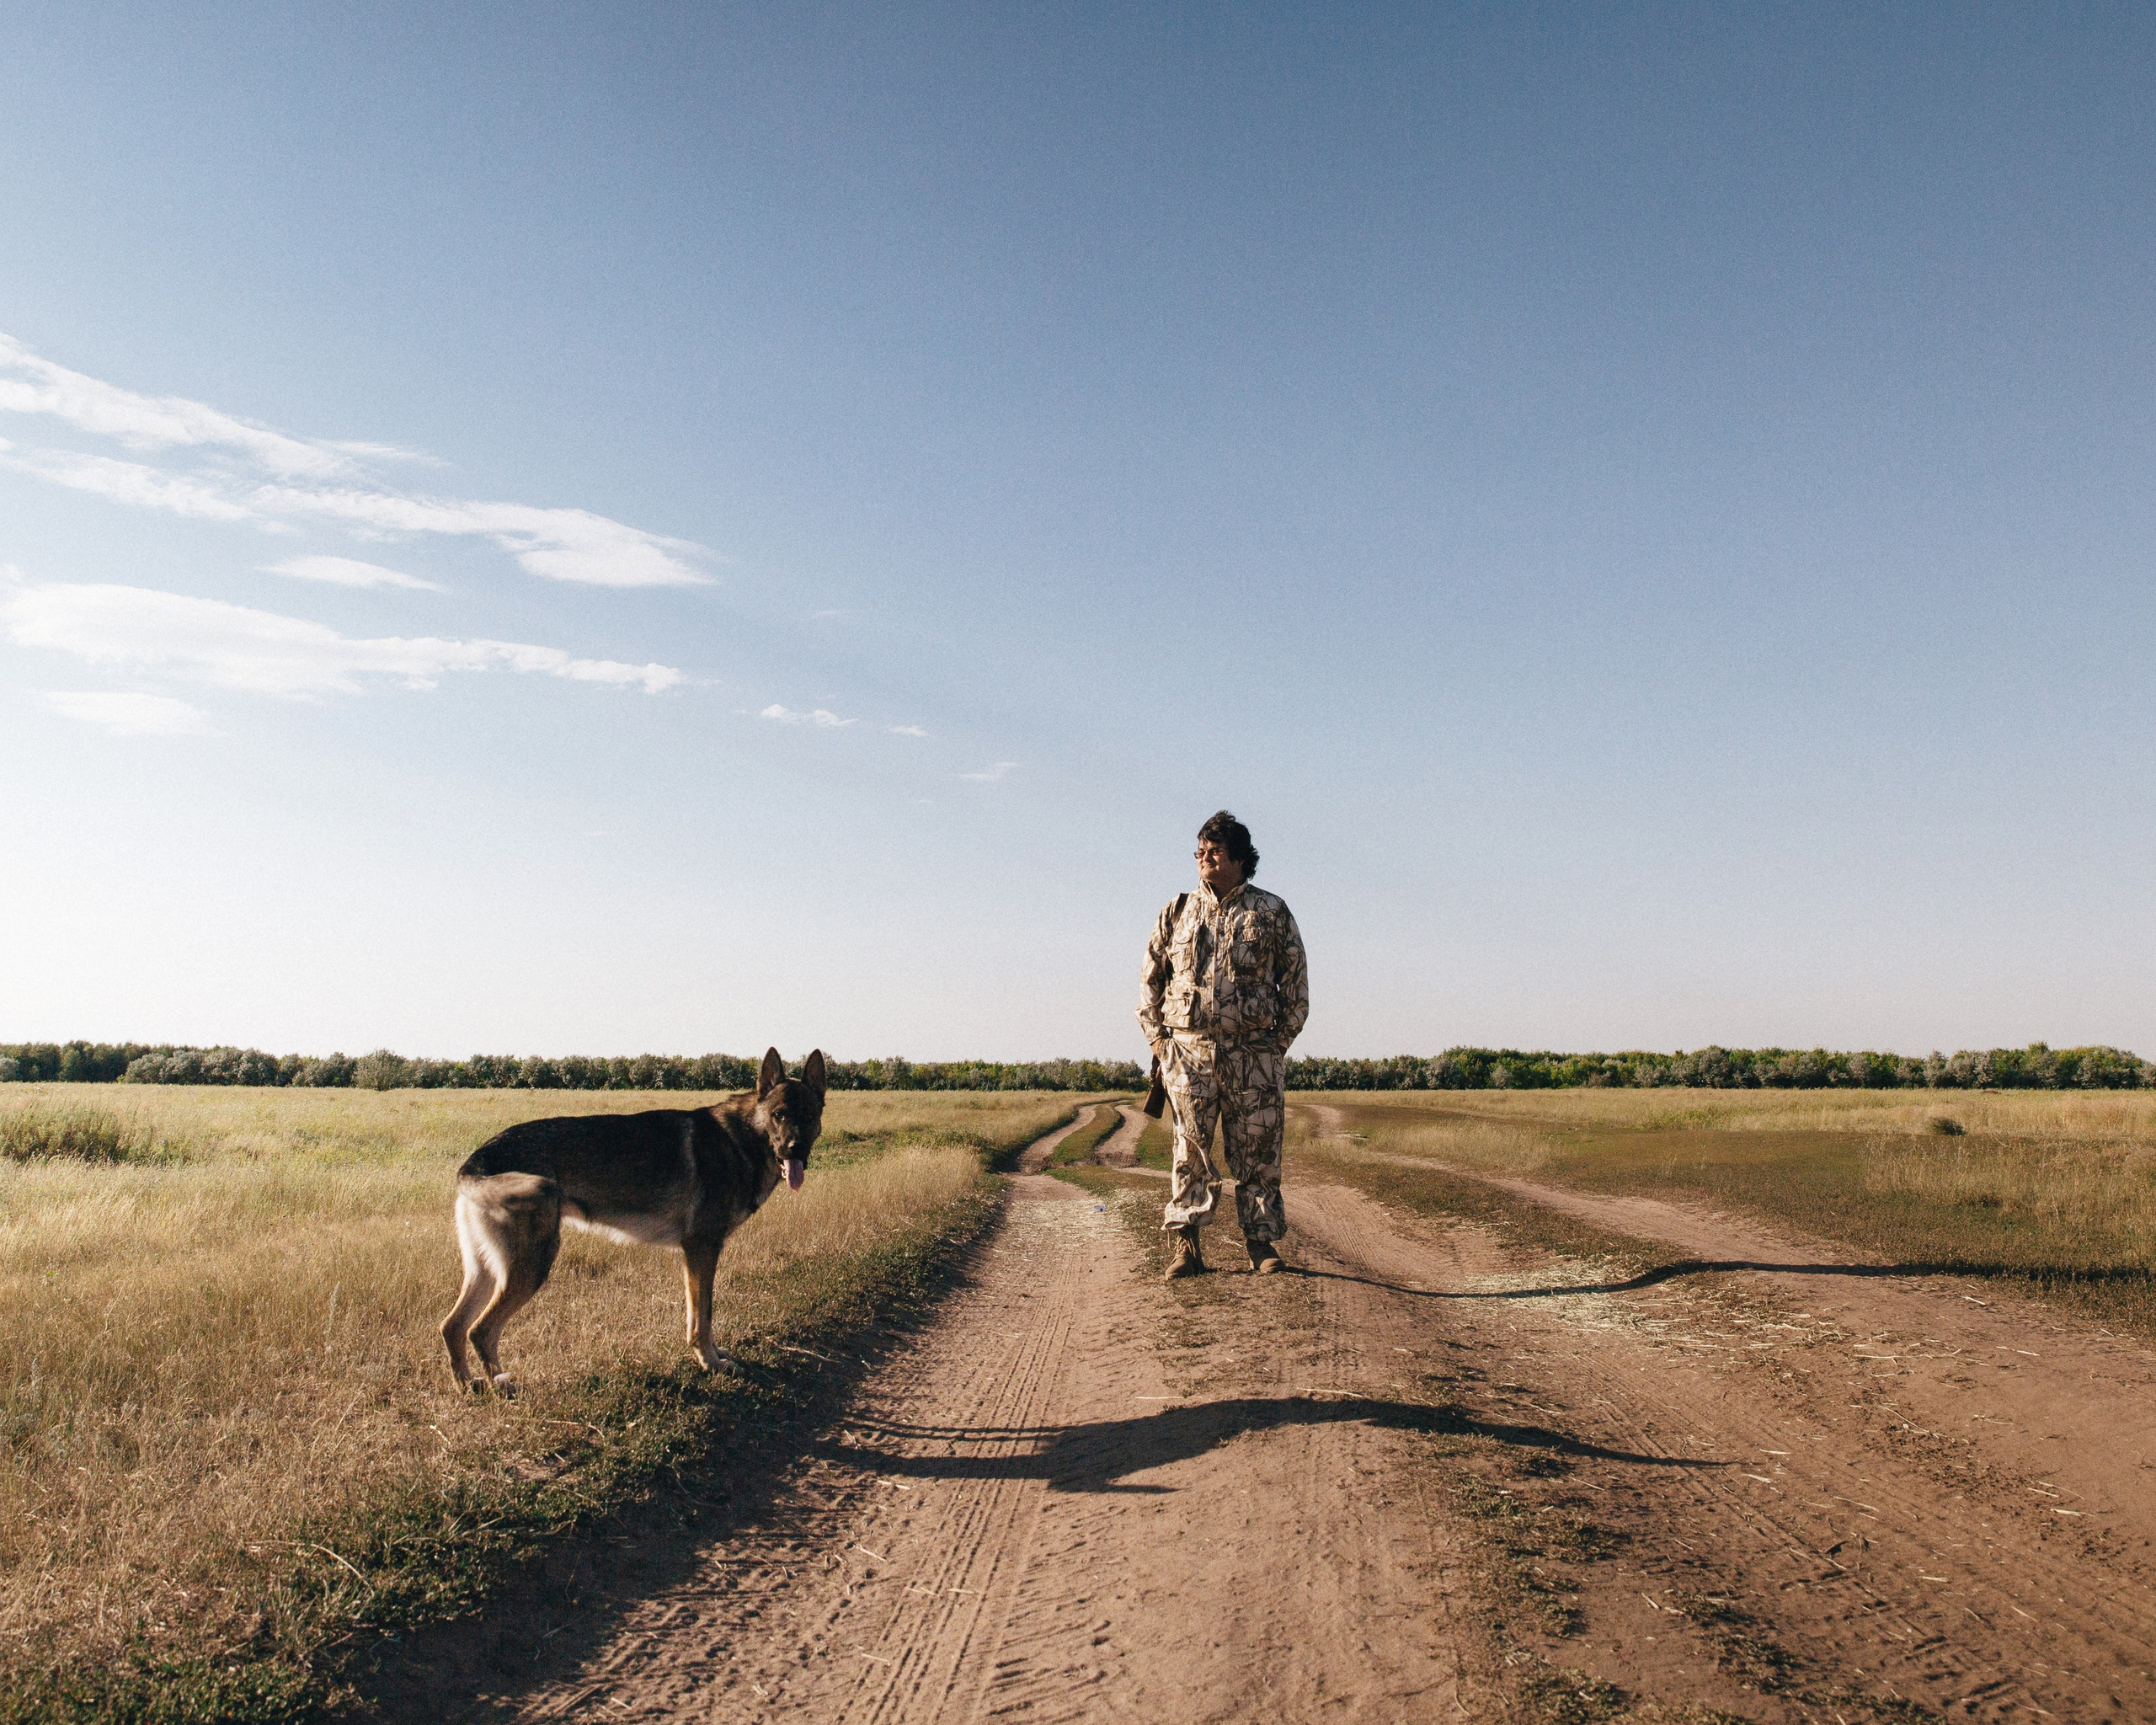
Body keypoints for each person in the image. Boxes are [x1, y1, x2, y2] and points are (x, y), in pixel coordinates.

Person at [1137, 810, 1310, 1278]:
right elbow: (1150, 983)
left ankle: (1261, 1245)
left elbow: (1295, 990)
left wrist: (1274, 1048)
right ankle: (1187, 1249)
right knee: (1189, 1153)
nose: (1203, 859)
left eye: (1213, 852)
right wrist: (1161, 1045)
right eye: (1199, 852)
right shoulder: (1177, 910)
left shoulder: (1271, 912)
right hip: (1187, 1054)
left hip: (1253, 1055)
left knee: (1258, 1153)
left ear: (1239, 858)